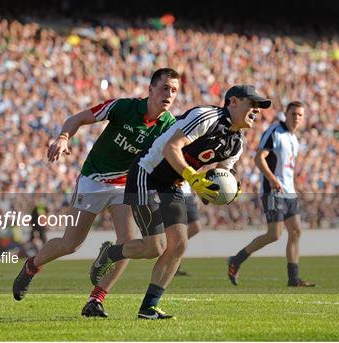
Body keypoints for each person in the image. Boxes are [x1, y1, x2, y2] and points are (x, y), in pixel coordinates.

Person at [89, 85, 271, 319]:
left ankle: (148, 308)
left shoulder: (236, 144)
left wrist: (222, 191)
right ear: (233, 102)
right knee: (154, 247)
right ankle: (111, 253)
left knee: (179, 244)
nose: (256, 111)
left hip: (173, 183)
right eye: (252, 104)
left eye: (259, 107)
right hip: (147, 173)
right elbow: (170, 147)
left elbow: (221, 175)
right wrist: (193, 178)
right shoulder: (206, 116)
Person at [12, 68, 181, 319]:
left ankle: (96, 300)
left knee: (126, 243)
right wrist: (63, 137)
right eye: (165, 88)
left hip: (125, 185)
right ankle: (31, 267)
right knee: (71, 244)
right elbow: (77, 118)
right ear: (151, 89)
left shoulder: (169, 126)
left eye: (174, 90)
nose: (169, 94)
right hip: (94, 179)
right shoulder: (123, 108)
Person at [227, 101, 315, 287]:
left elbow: (288, 169)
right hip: (273, 191)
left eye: (300, 115)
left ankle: (293, 278)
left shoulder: (294, 139)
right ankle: (237, 259)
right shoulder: (275, 132)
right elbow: (259, 158)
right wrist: (273, 180)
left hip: (289, 192)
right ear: (286, 114)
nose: (296, 118)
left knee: (296, 231)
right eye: (293, 114)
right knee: (274, 234)